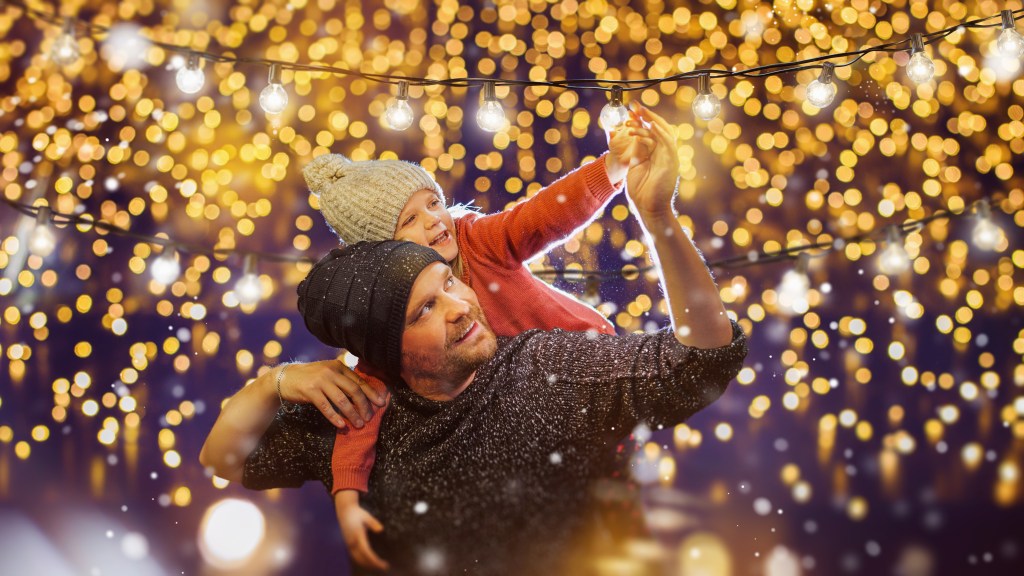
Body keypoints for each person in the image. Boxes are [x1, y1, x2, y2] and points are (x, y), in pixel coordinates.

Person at [199, 106, 749, 574]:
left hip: (579, 367)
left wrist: (625, 184)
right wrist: (276, 384)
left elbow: (548, 217)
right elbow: (227, 458)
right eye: (424, 307)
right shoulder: (369, 391)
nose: (435, 223)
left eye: (433, 204)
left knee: (616, 503)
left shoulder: (534, 344)